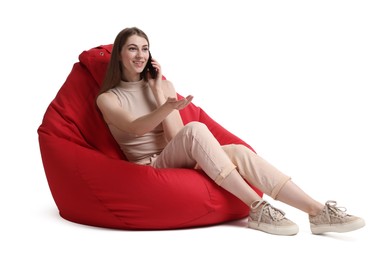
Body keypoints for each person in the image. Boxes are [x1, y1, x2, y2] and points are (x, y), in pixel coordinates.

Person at [96, 27, 365, 236]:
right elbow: (134, 127)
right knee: (195, 129)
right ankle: (257, 207)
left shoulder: (163, 87)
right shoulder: (109, 98)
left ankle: (316, 211)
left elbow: (175, 138)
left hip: (174, 156)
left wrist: (157, 92)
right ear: (119, 54)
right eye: (132, 49)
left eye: (145, 49)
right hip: (150, 167)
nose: (140, 55)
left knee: (237, 151)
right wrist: (166, 107)